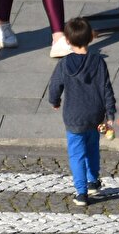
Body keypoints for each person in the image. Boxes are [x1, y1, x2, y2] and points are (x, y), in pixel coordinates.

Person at [47, 16, 115, 205]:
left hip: (73, 117)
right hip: (95, 115)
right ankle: (93, 181)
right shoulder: (99, 62)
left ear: (67, 41)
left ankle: (81, 192)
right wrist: (110, 115)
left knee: (77, 154)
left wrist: (55, 100)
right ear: (91, 38)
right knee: (92, 148)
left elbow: (55, 85)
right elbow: (106, 89)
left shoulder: (64, 64)